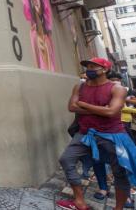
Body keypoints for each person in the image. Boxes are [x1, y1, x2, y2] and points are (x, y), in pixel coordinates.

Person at [57, 58, 135, 210]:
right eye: (87, 66)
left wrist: (84, 104)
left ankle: (118, 208)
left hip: (113, 135)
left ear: (105, 69)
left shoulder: (117, 88)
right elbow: (72, 107)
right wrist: (102, 109)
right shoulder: (79, 87)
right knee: (66, 160)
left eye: (93, 66)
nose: (89, 69)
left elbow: (112, 112)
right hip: (86, 134)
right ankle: (79, 202)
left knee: (121, 172)